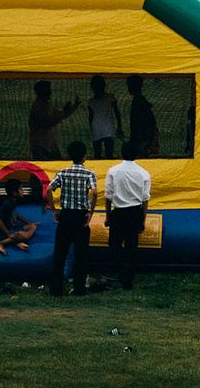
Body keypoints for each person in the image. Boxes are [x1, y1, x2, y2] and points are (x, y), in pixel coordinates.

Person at [46, 140, 97, 296]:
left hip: (66, 214)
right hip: (80, 215)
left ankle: (56, 289)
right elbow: (94, 192)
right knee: (81, 254)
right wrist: (91, 212)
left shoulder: (62, 172)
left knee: (60, 253)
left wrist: (54, 210)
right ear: (84, 156)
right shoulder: (89, 174)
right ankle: (79, 288)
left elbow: (48, 189)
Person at [104, 140, 152, 290]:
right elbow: (145, 199)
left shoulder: (113, 171)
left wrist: (107, 216)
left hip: (118, 212)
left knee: (114, 244)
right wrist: (143, 219)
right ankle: (128, 276)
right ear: (137, 155)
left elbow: (108, 196)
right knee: (132, 245)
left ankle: (122, 269)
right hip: (135, 212)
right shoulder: (143, 173)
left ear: (122, 153)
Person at [28, 80, 80, 159]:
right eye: (48, 90)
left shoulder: (46, 105)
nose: (50, 93)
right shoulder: (38, 106)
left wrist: (70, 109)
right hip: (40, 145)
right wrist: (63, 114)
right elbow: (47, 123)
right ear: (43, 92)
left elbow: (59, 115)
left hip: (50, 144)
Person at [0, 178, 37, 257]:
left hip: (11, 227)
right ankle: (1, 243)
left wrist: (29, 222)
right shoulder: (7, 203)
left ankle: (17, 243)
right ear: (14, 192)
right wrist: (8, 233)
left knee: (33, 226)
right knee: (26, 236)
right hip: (0, 233)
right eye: (20, 189)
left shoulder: (13, 200)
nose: (23, 191)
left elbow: (16, 214)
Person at [86, 75, 124, 159]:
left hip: (96, 128)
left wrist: (91, 128)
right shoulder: (110, 97)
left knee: (97, 154)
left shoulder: (91, 101)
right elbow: (117, 112)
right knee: (109, 153)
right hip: (108, 128)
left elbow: (90, 117)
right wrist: (119, 125)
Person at [126, 74, 159, 157]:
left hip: (141, 137)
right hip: (142, 136)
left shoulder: (138, 101)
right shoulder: (139, 100)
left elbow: (146, 120)